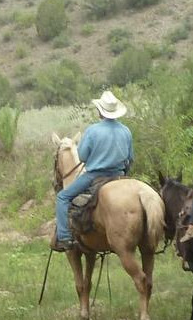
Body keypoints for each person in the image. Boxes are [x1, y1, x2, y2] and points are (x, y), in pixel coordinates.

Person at [53, 90, 134, 252]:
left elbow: (82, 156)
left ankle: (64, 238)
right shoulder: (126, 131)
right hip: (119, 176)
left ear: (100, 111)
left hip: (95, 176)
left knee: (63, 197)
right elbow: (130, 159)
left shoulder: (92, 130)